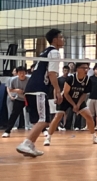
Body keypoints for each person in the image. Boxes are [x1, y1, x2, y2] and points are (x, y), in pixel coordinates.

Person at [16, 29, 64, 157]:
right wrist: (57, 91)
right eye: (61, 37)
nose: (63, 39)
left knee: (38, 120)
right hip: (38, 89)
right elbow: (52, 74)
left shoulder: (44, 52)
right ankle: (26, 143)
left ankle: (30, 145)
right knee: (44, 119)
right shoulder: (54, 52)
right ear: (55, 40)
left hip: (31, 89)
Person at [43, 62, 97, 146]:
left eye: (87, 68)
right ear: (77, 69)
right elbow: (66, 93)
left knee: (89, 116)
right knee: (57, 117)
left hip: (78, 99)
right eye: (84, 68)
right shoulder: (70, 79)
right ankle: (48, 138)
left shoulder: (88, 80)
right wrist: (73, 105)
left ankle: (94, 137)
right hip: (65, 99)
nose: (86, 70)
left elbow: (84, 94)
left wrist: (78, 104)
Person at [2, 66, 29, 138]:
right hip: (19, 99)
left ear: (26, 73)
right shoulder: (13, 80)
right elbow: (10, 89)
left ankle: (43, 129)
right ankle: (7, 131)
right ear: (17, 73)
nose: (22, 74)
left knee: (35, 113)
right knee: (14, 114)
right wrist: (16, 90)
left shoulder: (30, 79)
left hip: (29, 99)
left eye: (23, 73)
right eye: (20, 73)